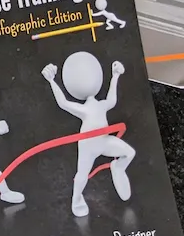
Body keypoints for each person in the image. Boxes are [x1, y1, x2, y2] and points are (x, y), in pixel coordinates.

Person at [41, 52, 134, 217]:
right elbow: (63, 103)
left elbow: (112, 100)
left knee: (129, 153)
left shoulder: (102, 104)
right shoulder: (83, 109)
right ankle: (76, 200)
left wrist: (116, 76)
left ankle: (118, 168)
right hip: (88, 146)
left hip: (104, 141)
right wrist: (51, 81)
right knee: (82, 175)